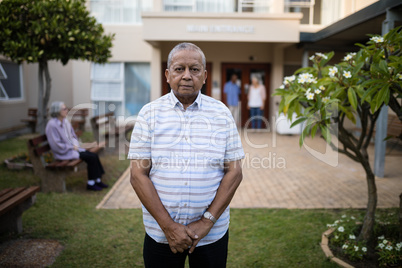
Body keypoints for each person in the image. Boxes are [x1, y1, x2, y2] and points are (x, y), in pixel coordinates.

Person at [128, 42, 244, 268]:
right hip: (160, 234)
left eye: (194, 69)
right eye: (179, 69)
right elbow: (137, 175)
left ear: (205, 75)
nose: (187, 76)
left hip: (212, 234)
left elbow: (235, 172)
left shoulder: (221, 113)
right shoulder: (149, 114)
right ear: (167, 74)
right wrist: (169, 227)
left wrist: (206, 222)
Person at [45, 101, 108, 191]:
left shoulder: (65, 122)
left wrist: (75, 144)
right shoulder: (52, 125)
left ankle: (97, 180)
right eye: (64, 109)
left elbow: (73, 136)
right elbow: (55, 145)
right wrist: (71, 147)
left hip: (73, 149)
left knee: (94, 155)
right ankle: (91, 183)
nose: (67, 110)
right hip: (63, 153)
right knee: (91, 157)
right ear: (57, 111)